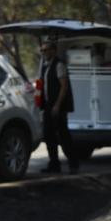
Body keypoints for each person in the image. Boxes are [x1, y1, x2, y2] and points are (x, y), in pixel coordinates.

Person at [38, 38, 78, 174]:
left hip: (57, 106)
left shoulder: (59, 65)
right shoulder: (45, 66)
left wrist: (57, 105)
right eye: (42, 50)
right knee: (48, 136)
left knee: (63, 136)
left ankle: (73, 164)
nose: (43, 52)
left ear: (53, 51)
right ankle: (54, 164)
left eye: (46, 50)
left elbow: (64, 86)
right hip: (48, 106)